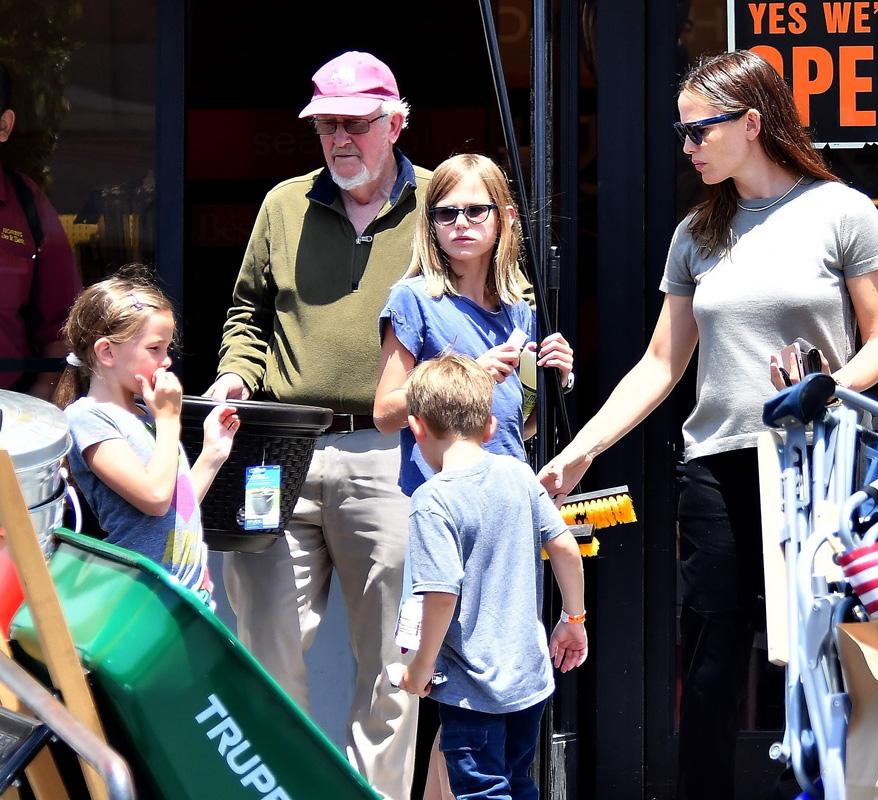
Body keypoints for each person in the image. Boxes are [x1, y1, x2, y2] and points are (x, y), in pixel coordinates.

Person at [538, 49, 878, 799]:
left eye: (699, 129)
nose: (687, 145)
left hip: (818, 463)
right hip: (718, 464)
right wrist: (579, 451)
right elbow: (661, 365)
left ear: (753, 122)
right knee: (709, 658)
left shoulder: (841, 210)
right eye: (681, 131)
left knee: (828, 651)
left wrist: (824, 389)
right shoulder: (697, 233)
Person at [204, 51, 427, 799]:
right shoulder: (284, 204)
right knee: (264, 648)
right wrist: (235, 371)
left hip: (393, 452)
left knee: (394, 661)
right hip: (279, 448)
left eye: (356, 124)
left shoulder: (444, 203)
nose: (340, 140)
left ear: (396, 121)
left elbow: (496, 303)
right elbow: (247, 313)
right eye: (327, 124)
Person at [373, 152, 574, 800]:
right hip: (443, 511)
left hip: (509, 510)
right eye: (444, 212)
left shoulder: (521, 309)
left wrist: (555, 377)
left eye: (473, 210)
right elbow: (384, 411)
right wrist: (467, 371)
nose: (458, 223)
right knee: (453, 686)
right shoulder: (413, 299)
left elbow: (516, 431)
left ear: (503, 219)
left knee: (477, 693)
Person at [398, 353, 587, 800]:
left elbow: (441, 594)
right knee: (518, 783)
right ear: (489, 428)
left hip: (471, 688)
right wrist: (573, 620)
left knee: (482, 791)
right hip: (528, 682)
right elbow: (563, 547)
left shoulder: (432, 500)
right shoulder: (518, 475)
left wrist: (420, 668)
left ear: (417, 427)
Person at [55, 266, 239, 600]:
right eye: (155, 349)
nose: (166, 361)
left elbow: (174, 506)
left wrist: (212, 455)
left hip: (185, 594)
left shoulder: (146, 415)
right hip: (139, 597)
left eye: (167, 348)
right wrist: (169, 422)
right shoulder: (88, 417)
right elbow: (153, 499)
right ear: (107, 352)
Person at [0, 62, 82, 400]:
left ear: (4, 126)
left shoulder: (26, 205)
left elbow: (64, 322)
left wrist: (41, 398)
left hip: (10, 415)